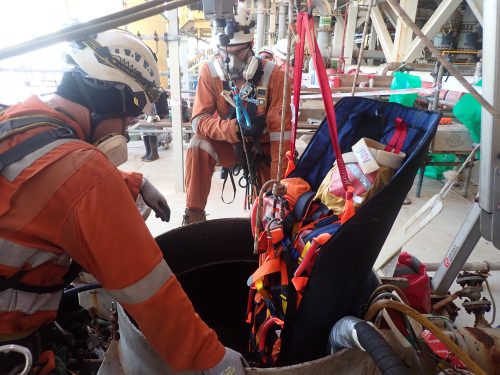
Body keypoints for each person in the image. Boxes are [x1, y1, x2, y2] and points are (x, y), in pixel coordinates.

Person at [0, 29, 245, 374]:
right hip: (12, 343)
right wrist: (214, 360)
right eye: (129, 119)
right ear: (112, 100)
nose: (127, 133)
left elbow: (43, 180)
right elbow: (150, 293)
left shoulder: (23, 118)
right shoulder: (86, 173)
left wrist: (133, 182)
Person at [184, 1, 292, 224]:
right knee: (198, 144)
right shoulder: (210, 72)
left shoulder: (274, 76)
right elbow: (198, 120)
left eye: (238, 52)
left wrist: (276, 186)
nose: (231, 60)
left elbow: (280, 136)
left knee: (271, 206)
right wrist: (231, 129)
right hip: (230, 144)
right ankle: (193, 216)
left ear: (251, 44)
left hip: (263, 151)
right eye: (224, 52)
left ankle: (267, 218)